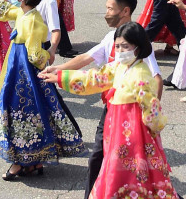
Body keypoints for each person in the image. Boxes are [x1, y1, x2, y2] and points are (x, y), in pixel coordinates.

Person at [50, 22, 178, 199]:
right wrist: (59, 77)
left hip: (134, 136)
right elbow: (93, 79)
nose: (120, 50)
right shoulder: (119, 67)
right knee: (116, 170)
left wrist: (154, 129)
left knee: (125, 173)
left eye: (125, 46)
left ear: (138, 47)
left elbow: (151, 107)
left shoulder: (140, 74)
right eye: (117, 46)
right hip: (116, 131)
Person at [0, 0, 84, 180]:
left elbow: (35, 55)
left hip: (25, 72)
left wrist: (48, 56)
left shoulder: (33, 20)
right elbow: (4, 9)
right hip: (18, 67)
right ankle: (33, 161)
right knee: (28, 111)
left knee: (23, 111)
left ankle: (23, 161)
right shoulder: (24, 13)